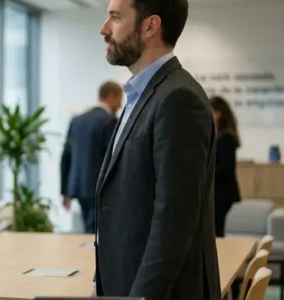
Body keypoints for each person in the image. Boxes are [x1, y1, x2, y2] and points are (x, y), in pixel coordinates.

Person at [92, 0, 221, 299]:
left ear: (150, 26)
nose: (103, 28)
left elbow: (173, 222)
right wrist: (100, 283)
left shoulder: (178, 98)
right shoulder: (143, 94)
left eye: (115, 17)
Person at [60, 81, 122, 234]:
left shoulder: (76, 120)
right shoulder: (110, 121)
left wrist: (65, 190)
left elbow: (66, 155)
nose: (120, 105)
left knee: (89, 231)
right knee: (100, 234)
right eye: (120, 99)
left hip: (78, 186)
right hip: (100, 187)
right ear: (111, 97)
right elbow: (113, 159)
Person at [211, 96, 241, 238]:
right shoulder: (220, 136)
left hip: (223, 194)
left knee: (217, 231)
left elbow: (226, 167)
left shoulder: (226, 138)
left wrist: (206, 171)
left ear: (218, 113)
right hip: (220, 193)